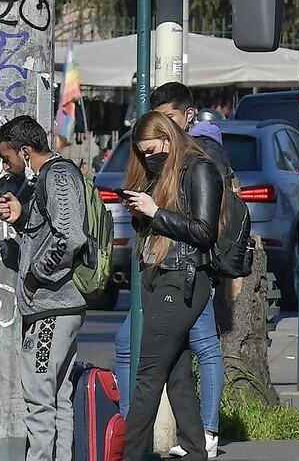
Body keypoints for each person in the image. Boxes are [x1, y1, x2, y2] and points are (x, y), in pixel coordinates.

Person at [112, 83, 227, 457]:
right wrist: (141, 216)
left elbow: (203, 232)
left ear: (169, 137)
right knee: (176, 376)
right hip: (158, 276)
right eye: (142, 155)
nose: (149, 160)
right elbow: (159, 229)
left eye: (153, 151)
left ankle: (131, 455)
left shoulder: (200, 169)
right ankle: (196, 450)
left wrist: (155, 213)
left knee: (148, 377)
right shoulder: (162, 174)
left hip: (184, 280)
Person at [0, 115, 88, 461]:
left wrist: (34, 277)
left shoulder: (58, 176)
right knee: (58, 397)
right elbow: (47, 231)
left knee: (39, 399)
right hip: (58, 307)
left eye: (8, 158)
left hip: (53, 307)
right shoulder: (47, 179)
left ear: (26, 150)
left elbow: (69, 235)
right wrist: (21, 220)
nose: (7, 166)